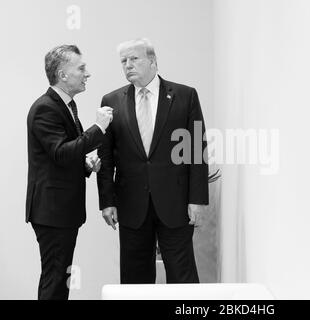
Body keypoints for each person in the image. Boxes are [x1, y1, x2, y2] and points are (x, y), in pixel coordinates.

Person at [97, 38, 209, 284]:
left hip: (176, 203)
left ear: (153, 61)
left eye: (134, 59)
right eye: (123, 61)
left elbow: (195, 149)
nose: (128, 65)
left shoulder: (185, 96)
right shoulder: (111, 101)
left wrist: (197, 199)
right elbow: (106, 158)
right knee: (135, 280)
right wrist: (107, 201)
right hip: (132, 205)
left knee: (182, 276)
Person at [26, 45, 113, 299]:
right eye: (81, 68)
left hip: (59, 211)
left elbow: (61, 156)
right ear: (63, 75)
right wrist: (99, 127)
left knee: (59, 278)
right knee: (55, 279)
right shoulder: (46, 108)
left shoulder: (65, 105)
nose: (87, 74)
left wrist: (86, 166)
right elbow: (61, 152)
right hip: (52, 212)